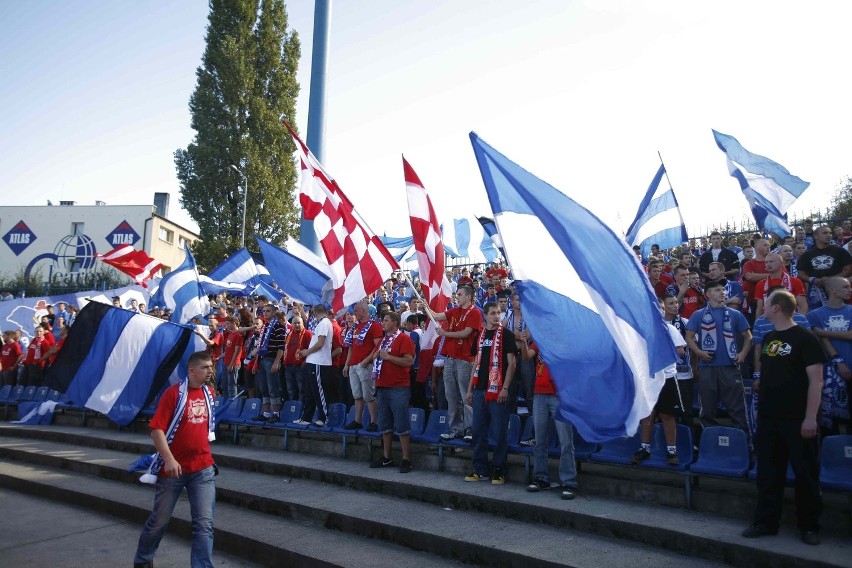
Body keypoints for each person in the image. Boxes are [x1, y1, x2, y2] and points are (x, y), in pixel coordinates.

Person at [742, 291, 824, 546]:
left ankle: (809, 526)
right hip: (769, 418)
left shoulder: (806, 339)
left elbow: (817, 380)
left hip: (798, 419)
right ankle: (766, 522)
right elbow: (768, 375)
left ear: (776, 307)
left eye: (766, 304)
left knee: (805, 474)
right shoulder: (768, 337)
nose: (763, 308)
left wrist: (810, 418)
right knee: (768, 473)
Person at [134, 352, 217, 568]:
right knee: (159, 521)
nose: (210, 371)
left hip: (203, 468)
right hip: (172, 471)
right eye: (205, 367)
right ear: (191, 371)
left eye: (211, 367)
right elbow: (156, 430)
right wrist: (169, 459)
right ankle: (143, 561)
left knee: (204, 524)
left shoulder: (209, 393)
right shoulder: (173, 394)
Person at [685, 279, 752, 436]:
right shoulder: (698, 315)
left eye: (723, 289)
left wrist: (742, 354)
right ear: (708, 294)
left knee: (737, 407)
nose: (722, 292)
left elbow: (748, 337)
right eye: (717, 290)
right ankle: (711, 439)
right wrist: (699, 352)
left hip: (729, 365)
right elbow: (689, 337)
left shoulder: (735, 314)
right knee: (707, 408)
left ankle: (742, 440)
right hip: (707, 367)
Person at [463, 302, 517, 485]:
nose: (496, 316)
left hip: (498, 391)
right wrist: (470, 389)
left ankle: (499, 470)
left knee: (500, 432)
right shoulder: (479, 336)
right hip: (479, 390)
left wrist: (505, 388)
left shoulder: (507, 335)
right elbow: (475, 364)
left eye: (499, 313)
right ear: (485, 315)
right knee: (478, 431)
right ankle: (480, 469)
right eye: (493, 313)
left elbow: (512, 364)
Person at [632, 297, 688, 466]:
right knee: (647, 414)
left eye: (662, 309)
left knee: (667, 415)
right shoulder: (640, 331)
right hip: (647, 379)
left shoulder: (670, 329)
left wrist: (660, 350)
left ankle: (672, 450)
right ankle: (645, 448)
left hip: (668, 378)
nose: (659, 312)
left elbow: (681, 352)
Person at [522, 333, 578, 499]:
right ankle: (541, 478)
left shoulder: (567, 341)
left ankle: (569, 482)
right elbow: (526, 357)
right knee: (539, 440)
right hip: (539, 394)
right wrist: (525, 342)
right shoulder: (540, 339)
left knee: (566, 441)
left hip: (560, 396)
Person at [427, 284, 483, 442]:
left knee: (466, 395)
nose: (456, 297)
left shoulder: (475, 313)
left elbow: (466, 333)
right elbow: (437, 316)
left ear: (468, 297)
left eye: (459, 294)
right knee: (451, 396)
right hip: (449, 359)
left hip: (465, 359)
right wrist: (425, 306)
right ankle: (455, 429)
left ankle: (470, 429)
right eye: (456, 294)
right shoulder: (455, 311)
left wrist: (446, 333)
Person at [369, 311, 416, 473]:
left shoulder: (404, 339)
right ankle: (387, 457)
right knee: (385, 425)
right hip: (382, 387)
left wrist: (389, 358)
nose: (382, 322)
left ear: (395, 323)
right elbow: (377, 357)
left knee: (402, 425)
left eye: (386, 320)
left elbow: (409, 361)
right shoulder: (382, 341)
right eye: (382, 320)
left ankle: (406, 459)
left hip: (398, 388)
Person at [805, 277, 852, 435]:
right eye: (845, 287)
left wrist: (824, 332)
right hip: (827, 373)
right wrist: (837, 361)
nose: (850, 290)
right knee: (828, 423)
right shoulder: (814, 314)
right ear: (832, 290)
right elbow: (818, 340)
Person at [342, 301, 382, 430]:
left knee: (368, 395)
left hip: (366, 365)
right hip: (354, 365)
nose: (354, 314)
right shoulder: (355, 327)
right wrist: (347, 364)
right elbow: (351, 348)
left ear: (364, 311)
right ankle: (357, 421)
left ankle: (374, 422)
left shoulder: (374, 326)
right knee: (357, 395)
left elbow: (378, 346)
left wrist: (367, 360)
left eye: (356, 311)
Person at [295, 304, 335, 426]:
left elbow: (320, 343)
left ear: (315, 313)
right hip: (313, 361)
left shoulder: (324, 323)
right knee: (310, 392)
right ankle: (306, 417)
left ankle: (324, 418)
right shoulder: (322, 323)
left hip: (319, 362)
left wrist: (307, 352)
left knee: (319, 392)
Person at [797, 225, 852, 310]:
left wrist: (830, 279)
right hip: (817, 292)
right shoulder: (807, 254)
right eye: (825, 233)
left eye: (830, 233)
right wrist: (812, 280)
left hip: (838, 290)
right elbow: (801, 274)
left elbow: (848, 270)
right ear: (816, 236)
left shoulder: (840, 251)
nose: (829, 235)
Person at [282, 316, 312, 403]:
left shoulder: (308, 334)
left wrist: (305, 362)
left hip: (301, 366)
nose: (297, 325)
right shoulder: (289, 334)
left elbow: (311, 350)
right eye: (295, 323)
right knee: (290, 389)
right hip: (288, 366)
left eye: (299, 323)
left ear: (303, 324)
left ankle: (301, 409)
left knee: (301, 389)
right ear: (291, 324)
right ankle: (292, 408)